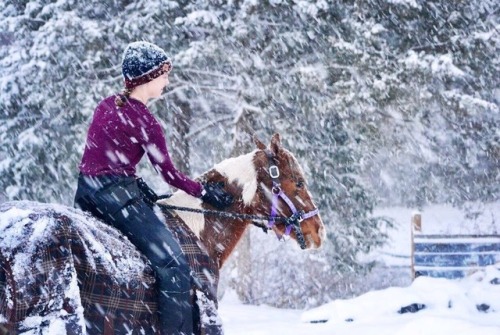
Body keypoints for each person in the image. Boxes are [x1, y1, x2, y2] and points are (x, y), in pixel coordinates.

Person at [74, 41, 233, 335]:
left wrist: (133, 184)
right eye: (164, 75)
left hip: (86, 194)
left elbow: (100, 160)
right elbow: (170, 175)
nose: (167, 81)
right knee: (174, 264)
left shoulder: (106, 105)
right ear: (148, 77)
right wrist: (204, 192)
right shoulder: (146, 121)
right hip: (117, 199)